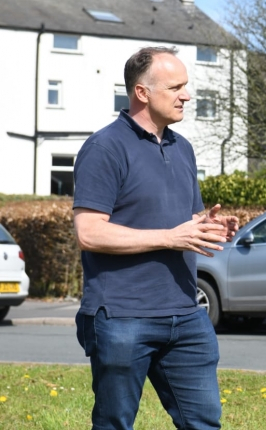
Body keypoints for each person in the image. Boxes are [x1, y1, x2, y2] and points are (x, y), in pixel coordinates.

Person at [73, 46, 238, 430]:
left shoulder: (183, 148)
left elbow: (183, 223)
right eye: (176, 86)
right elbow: (89, 232)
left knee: (204, 423)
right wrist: (170, 236)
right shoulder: (105, 147)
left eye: (186, 86)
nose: (187, 95)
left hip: (186, 315)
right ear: (142, 93)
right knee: (114, 424)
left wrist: (207, 225)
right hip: (122, 316)